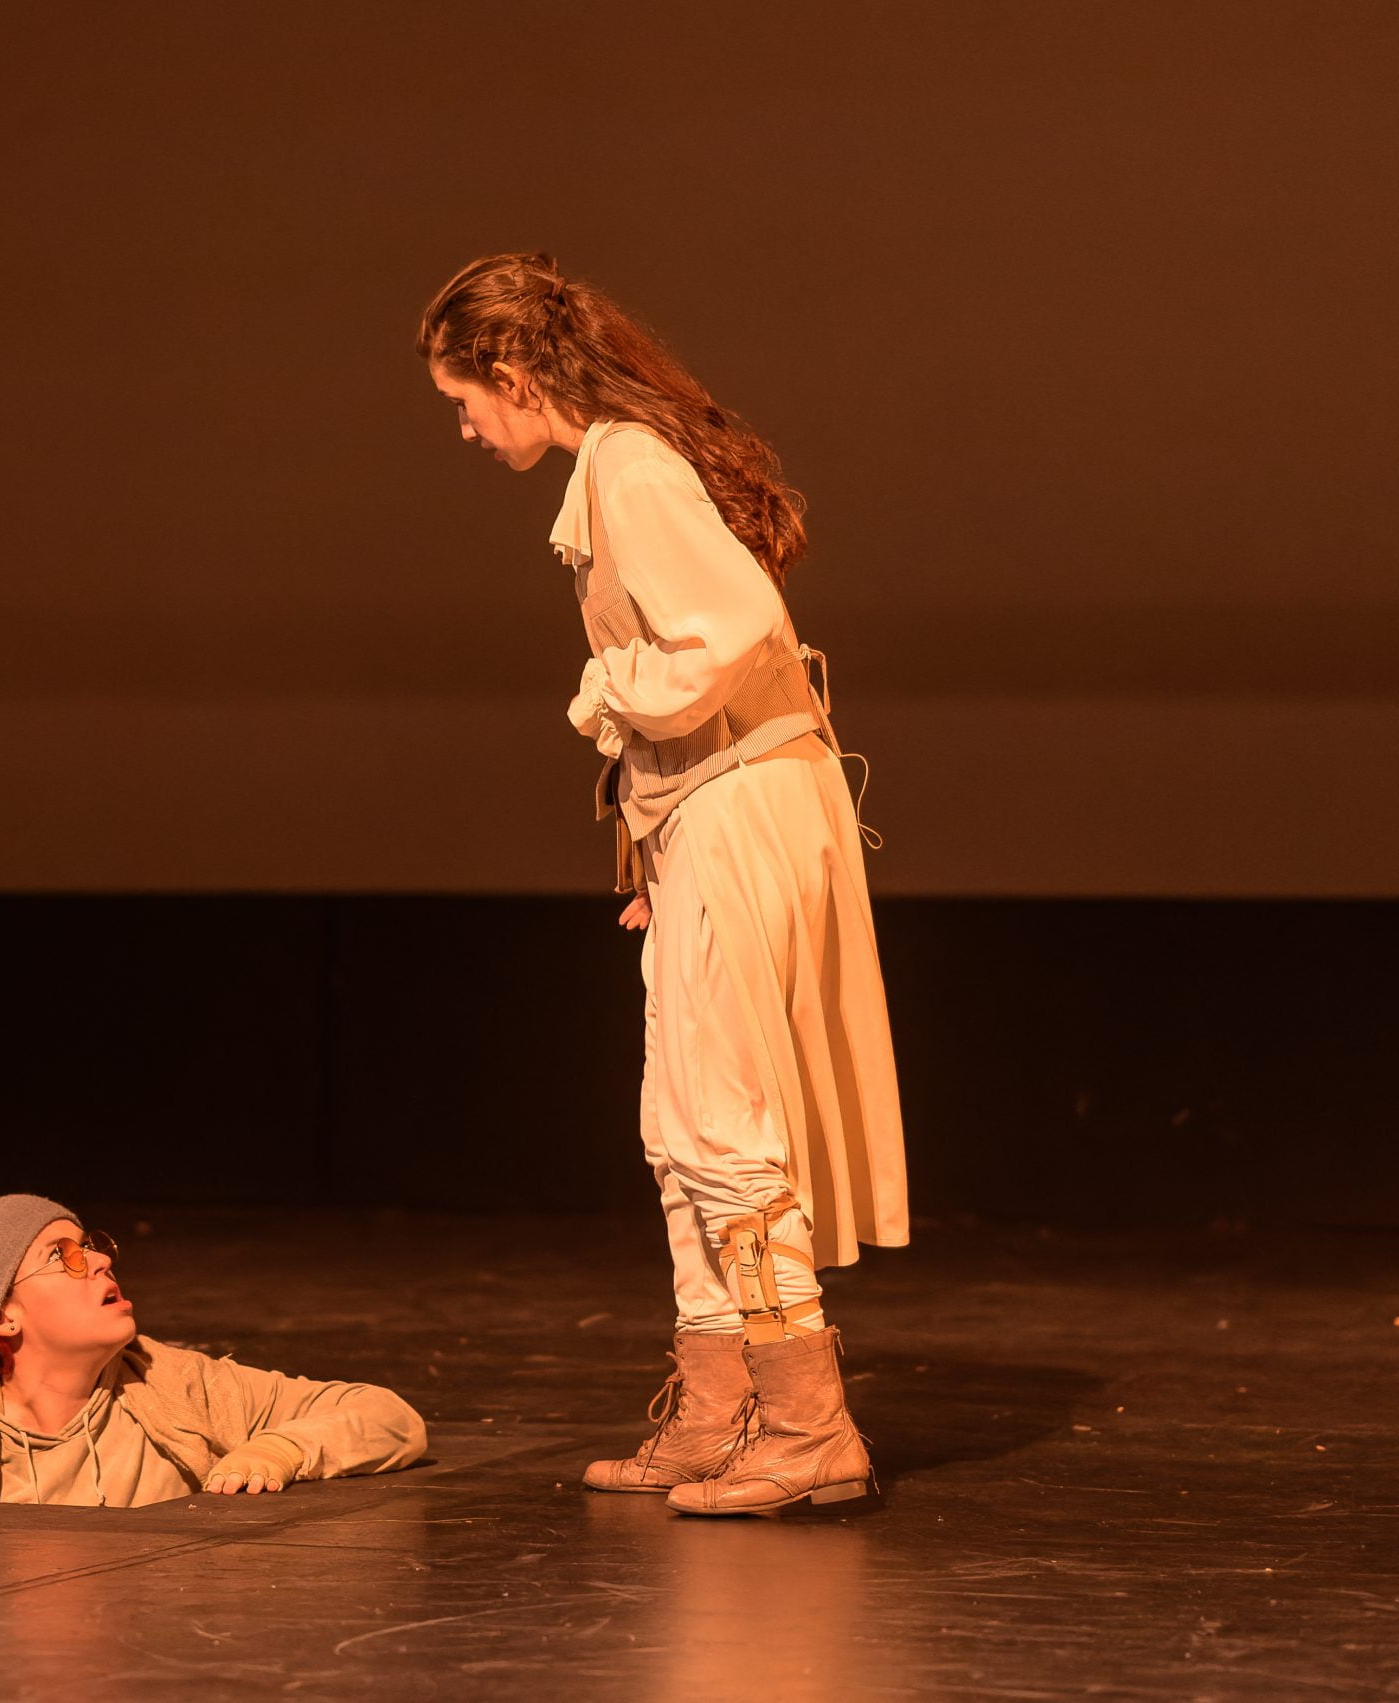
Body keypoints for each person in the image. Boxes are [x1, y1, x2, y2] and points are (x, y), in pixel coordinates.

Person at [417, 253, 910, 1516]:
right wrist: (655, 839)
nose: (464, 428)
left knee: (718, 1123)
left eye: (463, 400)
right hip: (717, 809)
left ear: (512, 375)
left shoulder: (626, 467)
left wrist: (603, 690)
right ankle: (717, 1406)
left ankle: (807, 1424)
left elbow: (730, 625)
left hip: (742, 803)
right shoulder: (618, 463)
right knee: (676, 1120)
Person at [0, 1194, 427, 1508]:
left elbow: (389, 1416)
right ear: (2, 1315)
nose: (97, 1260)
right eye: (60, 1255)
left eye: (89, 1245)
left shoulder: (170, 1383)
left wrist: (281, 1448)